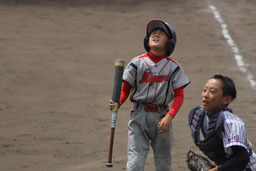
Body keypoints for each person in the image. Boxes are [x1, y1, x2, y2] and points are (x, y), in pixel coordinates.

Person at [109, 20, 190, 171]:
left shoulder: (174, 67)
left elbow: (179, 95)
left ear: (170, 43)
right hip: (138, 116)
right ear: (147, 40)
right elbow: (125, 89)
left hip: (161, 117)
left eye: (162, 33)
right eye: (153, 32)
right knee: (135, 161)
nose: (156, 34)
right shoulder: (137, 63)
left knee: (164, 163)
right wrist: (118, 102)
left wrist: (170, 116)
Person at [188, 74, 256, 171]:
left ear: (226, 99)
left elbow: (242, 157)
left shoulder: (231, 123)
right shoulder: (201, 117)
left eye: (212, 92)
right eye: (204, 90)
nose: (206, 95)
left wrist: (215, 170)